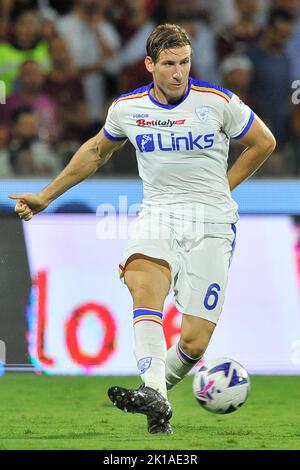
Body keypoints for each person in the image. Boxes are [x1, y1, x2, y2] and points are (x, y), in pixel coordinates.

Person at [9, 23, 276, 435]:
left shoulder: (217, 102)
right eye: (169, 64)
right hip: (159, 213)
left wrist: (221, 188)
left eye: (185, 62)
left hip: (212, 222)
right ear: (150, 64)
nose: (179, 72)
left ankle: (156, 398)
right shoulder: (128, 109)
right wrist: (47, 195)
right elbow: (96, 151)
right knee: (141, 279)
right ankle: (153, 388)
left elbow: (264, 142)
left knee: (194, 343)